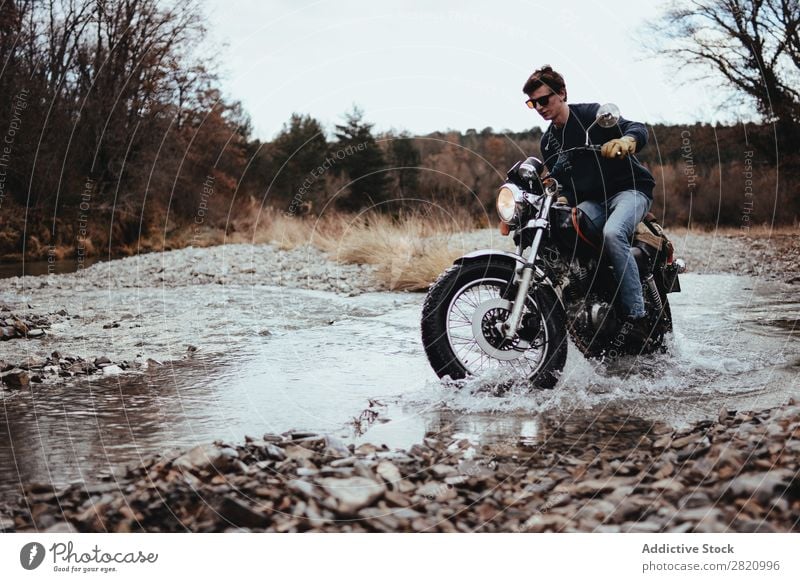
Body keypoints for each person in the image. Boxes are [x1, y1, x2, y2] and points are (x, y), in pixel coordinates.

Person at [522, 65, 656, 344]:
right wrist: (559, 197)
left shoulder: (591, 116)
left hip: (630, 191)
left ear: (562, 94)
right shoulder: (548, 142)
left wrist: (627, 140)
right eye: (532, 103)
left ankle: (637, 316)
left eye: (544, 100)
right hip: (594, 202)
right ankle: (578, 303)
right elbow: (563, 184)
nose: (539, 107)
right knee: (561, 231)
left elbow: (636, 127)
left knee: (612, 232)